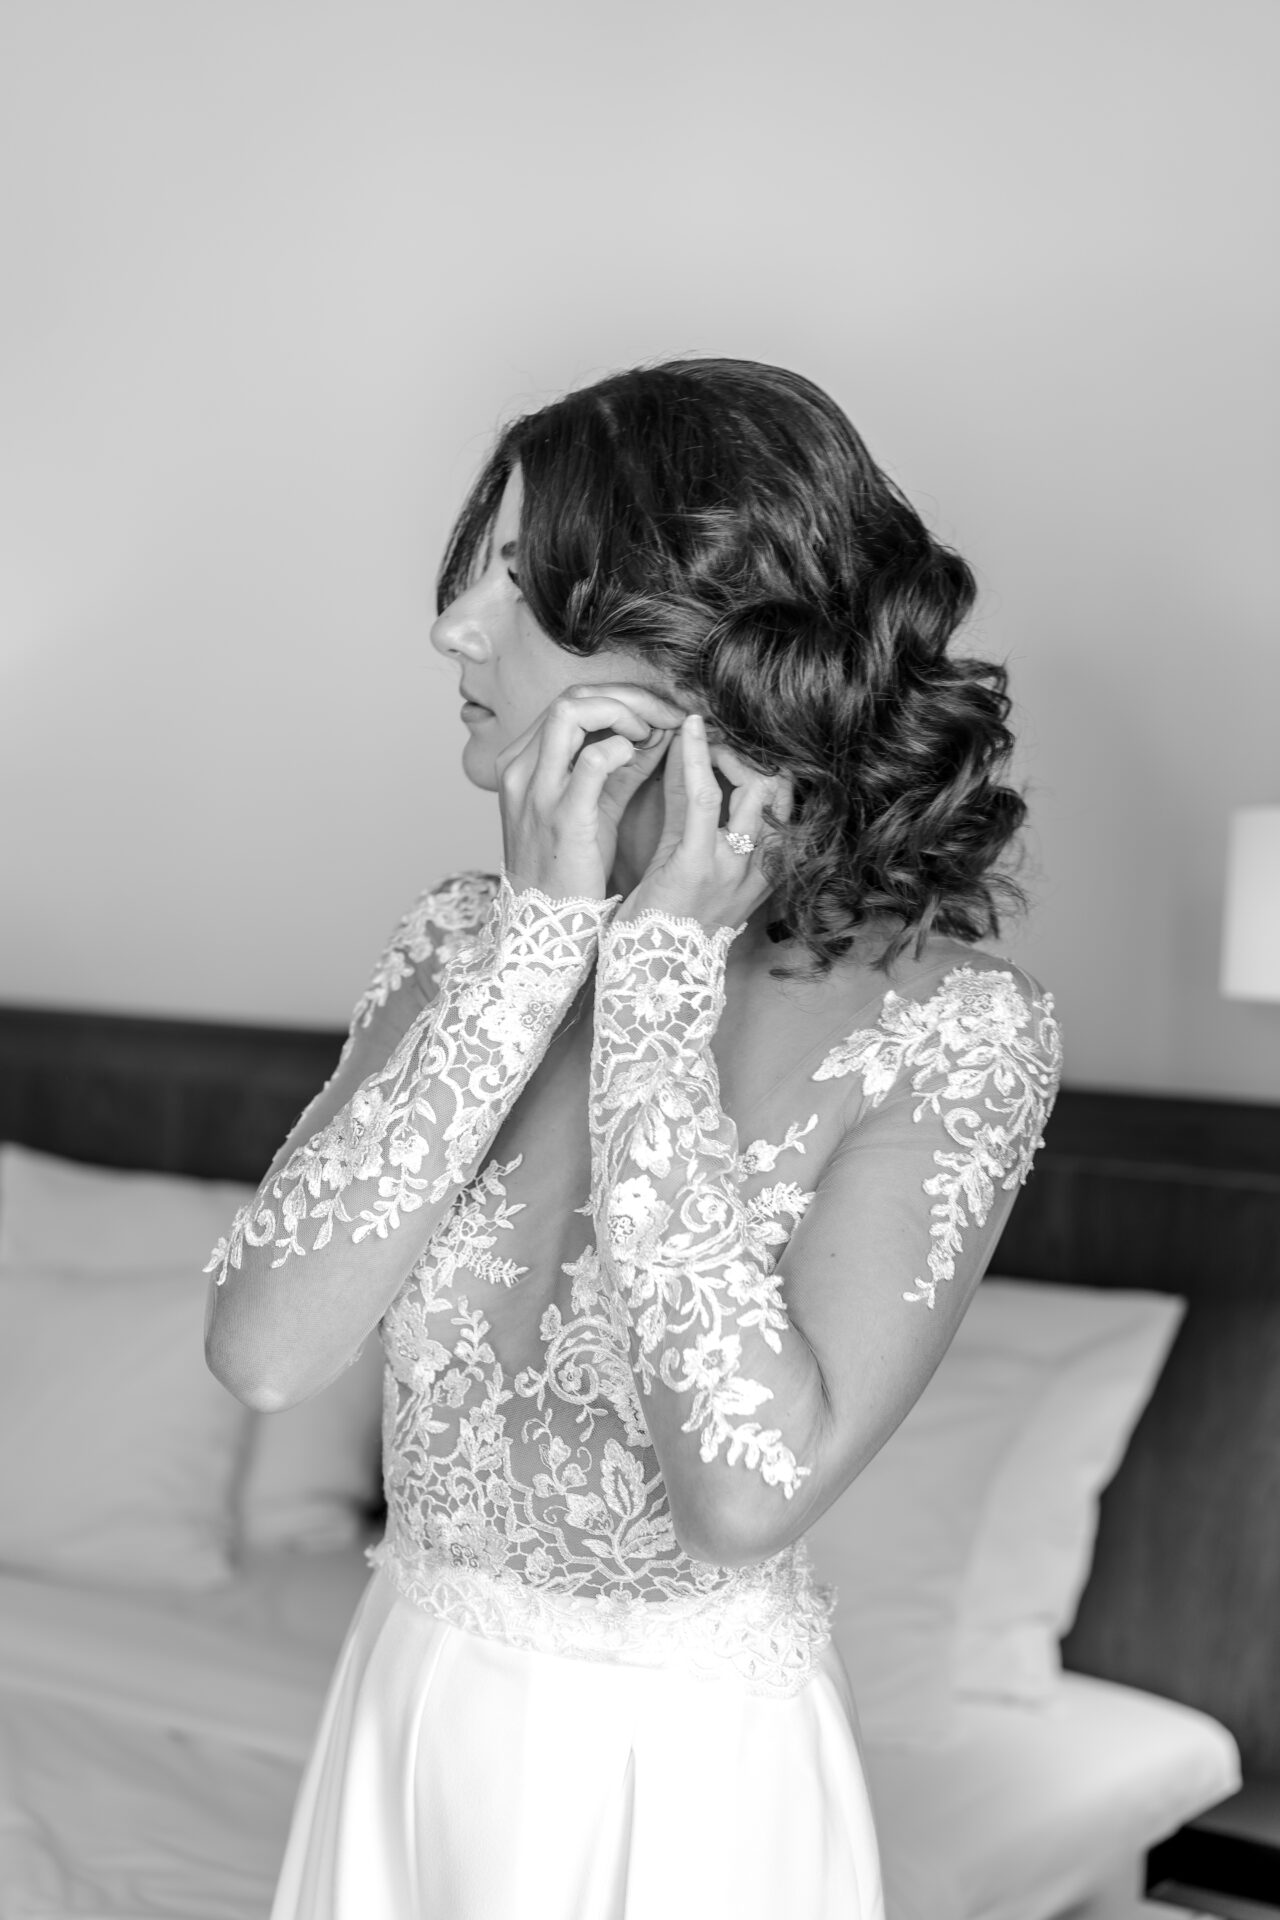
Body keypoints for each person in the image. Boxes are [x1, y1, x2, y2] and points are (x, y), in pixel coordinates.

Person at [205, 357, 1062, 1920]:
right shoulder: (465, 946)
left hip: (681, 1796)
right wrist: (540, 945)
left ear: (686, 651)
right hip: (409, 1720)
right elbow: (265, 1352)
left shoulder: (953, 1029)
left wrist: (661, 982)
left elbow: (745, 1498)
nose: (453, 628)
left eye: (514, 582)